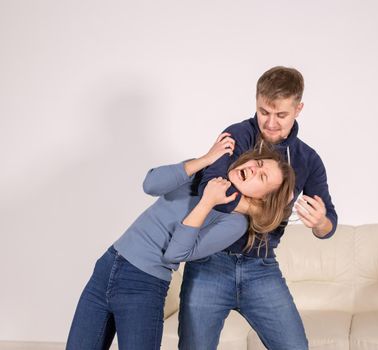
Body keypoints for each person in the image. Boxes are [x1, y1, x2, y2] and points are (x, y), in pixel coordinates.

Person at [65, 133, 295, 350]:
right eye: (259, 163)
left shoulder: (235, 223)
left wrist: (207, 202)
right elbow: (150, 184)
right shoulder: (206, 173)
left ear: (264, 197)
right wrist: (205, 159)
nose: (255, 169)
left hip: (143, 284)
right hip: (107, 265)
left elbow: (175, 254)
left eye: (262, 176)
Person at [178, 66, 338, 349]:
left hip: (261, 267)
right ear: (256, 101)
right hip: (209, 264)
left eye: (281, 115)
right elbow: (209, 190)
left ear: (298, 108)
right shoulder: (236, 135)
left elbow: (329, 227)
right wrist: (262, 212)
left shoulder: (308, 160)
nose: (271, 123)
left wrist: (321, 221)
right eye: (264, 112)